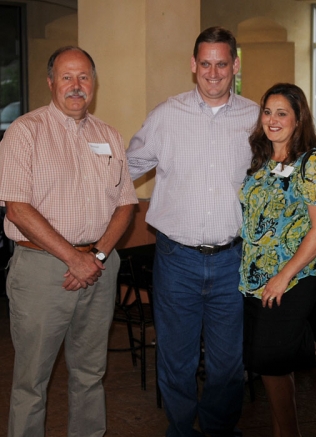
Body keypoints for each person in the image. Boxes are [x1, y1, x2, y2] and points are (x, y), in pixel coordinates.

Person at [126, 27, 258, 437]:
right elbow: (123, 169)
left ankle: (218, 429)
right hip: (176, 259)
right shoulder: (167, 115)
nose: (214, 73)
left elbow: (303, 159)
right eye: (206, 64)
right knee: (176, 358)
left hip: (232, 260)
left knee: (228, 363)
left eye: (222, 64)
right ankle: (181, 429)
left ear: (235, 66)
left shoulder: (256, 117)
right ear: (193, 66)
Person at [0, 46, 138, 437]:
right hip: (42, 271)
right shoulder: (25, 132)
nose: (76, 86)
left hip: (100, 264)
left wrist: (94, 256)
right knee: (31, 382)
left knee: (90, 374)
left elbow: (126, 204)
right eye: (67, 77)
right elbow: (17, 209)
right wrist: (72, 259)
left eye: (84, 78)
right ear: (50, 83)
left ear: (94, 84)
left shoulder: (108, 135)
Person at [239, 83, 316, 436]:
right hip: (255, 282)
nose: (272, 119)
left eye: (282, 113)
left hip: (291, 282)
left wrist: (283, 276)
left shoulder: (312, 164)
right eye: (267, 111)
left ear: (298, 120)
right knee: (273, 367)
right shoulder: (263, 161)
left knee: (271, 364)